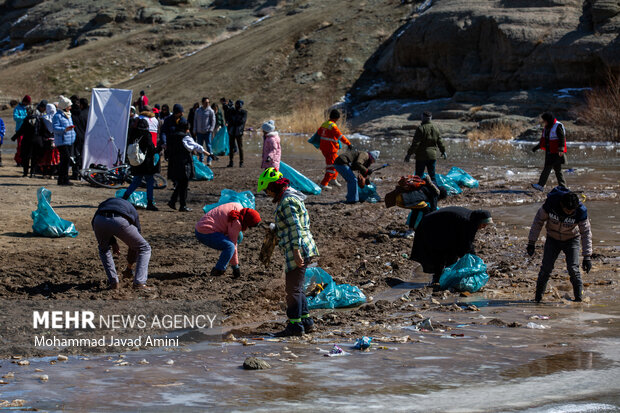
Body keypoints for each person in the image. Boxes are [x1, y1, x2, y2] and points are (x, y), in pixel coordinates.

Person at [257, 168, 319, 337]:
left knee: (292, 289)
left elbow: (295, 228)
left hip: (298, 248)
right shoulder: (291, 196)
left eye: (266, 190)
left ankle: (294, 326)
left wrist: (296, 252)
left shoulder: (287, 202)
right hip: (303, 246)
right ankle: (306, 321)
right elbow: (290, 225)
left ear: (272, 187)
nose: (267, 194)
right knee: (297, 287)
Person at [527, 187, 592, 302]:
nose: (569, 213)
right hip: (553, 239)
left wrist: (587, 256)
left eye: (572, 211)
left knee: (573, 269)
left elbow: (586, 233)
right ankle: (537, 299)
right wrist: (531, 242)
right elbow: (538, 221)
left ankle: (579, 300)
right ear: (562, 205)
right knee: (546, 269)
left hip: (572, 239)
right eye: (567, 211)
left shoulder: (580, 211)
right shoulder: (550, 205)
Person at [410, 207, 492, 289]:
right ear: (479, 221)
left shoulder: (472, 219)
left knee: (452, 250)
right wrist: (475, 261)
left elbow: (465, 243)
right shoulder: (468, 222)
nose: (484, 227)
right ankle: (438, 279)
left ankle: (447, 277)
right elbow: (466, 245)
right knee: (440, 252)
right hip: (431, 227)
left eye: (486, 225)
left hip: (445, 227)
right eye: (484, 224)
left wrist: (473, 258)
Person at [92, 197, 151, 290]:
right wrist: (129, 266)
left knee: (104, 250)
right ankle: (139, 283)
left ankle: (113, 282)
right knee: (144, 248)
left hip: (98, 220)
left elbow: (100, 221)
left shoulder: (106, 202)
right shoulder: (132, 209)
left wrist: (112, 242)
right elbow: (135, 245)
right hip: (119, 221)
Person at [195, 203, 262, 277]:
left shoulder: (238, 206)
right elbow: (234, 245)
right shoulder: (236, 222)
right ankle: (218, 270)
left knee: (238, 237)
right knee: (230, 246)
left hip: (201, 225)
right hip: (204, 232)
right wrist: (235, 267)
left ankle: (223, 262)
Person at [167, 119, 210, 212]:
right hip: (183, 163)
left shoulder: (172, 136)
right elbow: (196, 146)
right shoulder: (185, 137)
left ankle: (172, 201)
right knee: (184, 184)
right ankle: (182, 205)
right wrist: (208, 154)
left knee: (180, 183)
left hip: (174, 162)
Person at [123, 118, 160, 211]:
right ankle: (150, 202)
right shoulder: (146, 134)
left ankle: (124, 198)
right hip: (146, 163)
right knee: (150, 182)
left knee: (136, 181)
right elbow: (151, 148)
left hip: (136, 162)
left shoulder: (133, 133)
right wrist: (158, 149)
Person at [404, 111, 446, 182]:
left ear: (423, 118)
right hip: (432, 156)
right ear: (431, 118)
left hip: (421, 156)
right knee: (432, 177)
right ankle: (434, 191)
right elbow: (440, 142)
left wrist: (409, 154)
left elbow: (415, 144)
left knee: (418, 177)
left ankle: (419, 192)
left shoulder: (420, 128)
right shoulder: (436, 128)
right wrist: (443, 151)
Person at [531, 113, 567, 191]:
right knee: (558, 170)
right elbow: (544, 140)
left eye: (545, 120)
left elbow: (561, 138)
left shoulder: (558, 126)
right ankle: (563, 187)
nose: (544, 122)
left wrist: (561, 149)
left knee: (548, 168)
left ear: (548, 120)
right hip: (550, 152)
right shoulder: (547, 128)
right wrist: (536, 148)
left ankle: (540, 185)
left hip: (556, 152)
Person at [317, 109, 351, 190]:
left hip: (324, 149)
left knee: (337, 163)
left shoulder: (324, 124)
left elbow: (318, 133)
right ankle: (323, 184)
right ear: (336, 118)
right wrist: (348, 144)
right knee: (332, 167)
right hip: (330, 149)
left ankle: (333, 179)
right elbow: (340, 136)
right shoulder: (333, 126)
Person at [12, 104, 46, 177]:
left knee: (26, 158)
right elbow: (43, 130)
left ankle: (25, 173)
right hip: (36, 141)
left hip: (27, 141)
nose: (26, 112)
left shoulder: (26, 120)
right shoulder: (39, 119)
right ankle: (32, 173)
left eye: (27, 111)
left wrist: (14, 137)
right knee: (34, 157)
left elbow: (21, 130)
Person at [52, 96, 76, 186]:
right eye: (69, 106)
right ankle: (63, 179)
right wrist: (65, 129)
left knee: (66, 160)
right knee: (65, 160)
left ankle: (63, 179)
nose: (70, 107)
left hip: (69, 140)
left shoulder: (68, 115)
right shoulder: (57, 116)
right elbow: (55, 128)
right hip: (62, 141)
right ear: (64, 106)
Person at [38, 103, 60, 177]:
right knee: (54, 158)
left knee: (45, 157)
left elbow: (40, 130)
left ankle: (44, 173)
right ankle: (52, 174)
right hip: (55, 140)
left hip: (45, 140)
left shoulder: (43, 118)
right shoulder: (57, 117)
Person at [194, 97, 216, 164]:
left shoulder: (210, 111)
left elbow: (213, 121)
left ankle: (209, 160)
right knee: (200, 147)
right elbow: (195, 120)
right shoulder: (198, 111)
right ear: (202, 103)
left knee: (208, 146)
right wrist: (194, 129)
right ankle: (201, 160)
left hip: (207, 132)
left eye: (208, 102)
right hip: (199, 132)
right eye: (206, 102)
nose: (207, 104)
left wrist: (211, 129)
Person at [71, 97, 89, 180]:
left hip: (76, 137)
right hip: (85, 137)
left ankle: (75, 174)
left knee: (76, 156)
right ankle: (82, 173)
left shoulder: (74, 115)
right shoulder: (88, 114)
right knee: (82, 156)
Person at [227, 100, 247, 167]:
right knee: (231, 147)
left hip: (238, 131)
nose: (238, 106)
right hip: (232, 131)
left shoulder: (243, 112)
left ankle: (241, 162)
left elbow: (242, 121)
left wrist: (234, 122)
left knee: (240, 147)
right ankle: (231, 162)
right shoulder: (231, 111)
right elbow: (228, 118)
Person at [13, 95, 31, 166]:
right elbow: (15, 118)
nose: (28, 104)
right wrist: (25, 117)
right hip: (20, 130)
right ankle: (18, 160)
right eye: (27, 102)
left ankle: (24, 160)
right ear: (24, 101)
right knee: (20, 146)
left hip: (28, 130)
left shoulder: (28, 108)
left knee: (27, 147)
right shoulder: (17, 108)